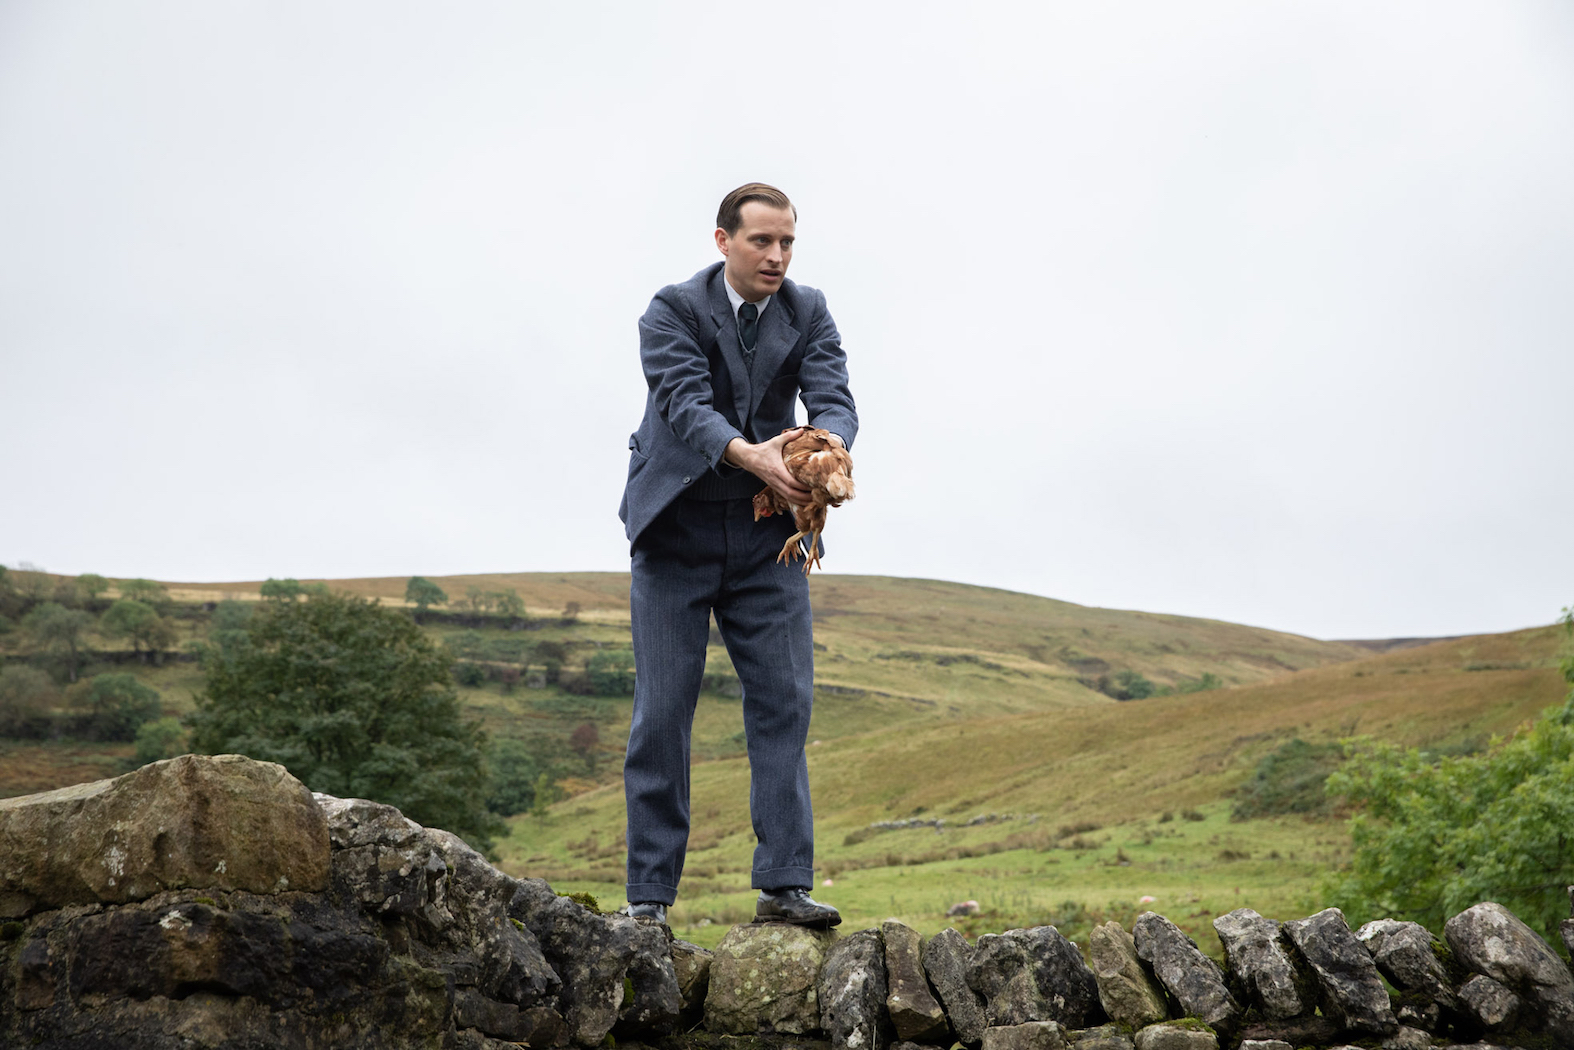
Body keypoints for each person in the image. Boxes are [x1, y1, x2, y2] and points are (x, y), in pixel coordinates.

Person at [618, 182, 858, 928]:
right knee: (662, 714)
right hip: (676, 533)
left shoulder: (808, 309)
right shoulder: (673, 310)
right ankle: (649, 901)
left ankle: (784, 887)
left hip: (768, 538)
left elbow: (836, 394)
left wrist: (829, 444)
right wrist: (754, 454)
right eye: (762, 241)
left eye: (787, 242)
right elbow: (683, 403)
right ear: (723, 241)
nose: (777, 256)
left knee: (784, 703)